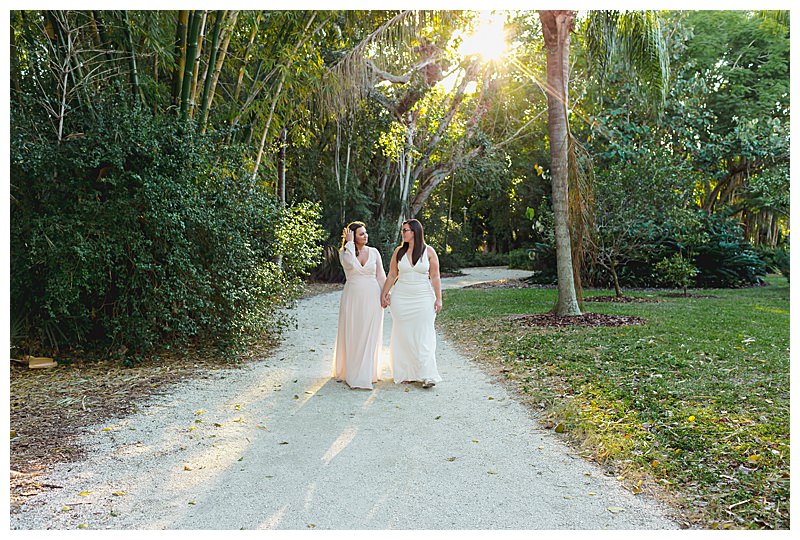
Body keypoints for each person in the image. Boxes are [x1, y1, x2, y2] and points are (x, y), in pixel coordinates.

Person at [380, 219, 442, 389]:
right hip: (401, 298)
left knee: (424, 335)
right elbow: (392, 274)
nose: (403, 233)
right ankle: (406, 372)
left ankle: (428, 374)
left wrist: (439, 298)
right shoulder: (399, 252)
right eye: (403, 230)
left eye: (405, 230)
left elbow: (435, 277)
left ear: (414, 232)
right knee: (404, 334)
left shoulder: (429, 252)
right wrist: (384, 293)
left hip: (423, 297)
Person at [333, 221, 387, 390]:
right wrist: (349, 244)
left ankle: (367, 372)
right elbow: (349, 264)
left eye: (365, 233)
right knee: (354, 332)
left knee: (369, 333)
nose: (366, 236)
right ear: (353, 237)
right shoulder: (345, 252)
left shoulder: (374, 252)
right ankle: (352, 372)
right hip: (353, 297)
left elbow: (381, 276)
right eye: (361, 234)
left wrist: (385, 293)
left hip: (372, 297)